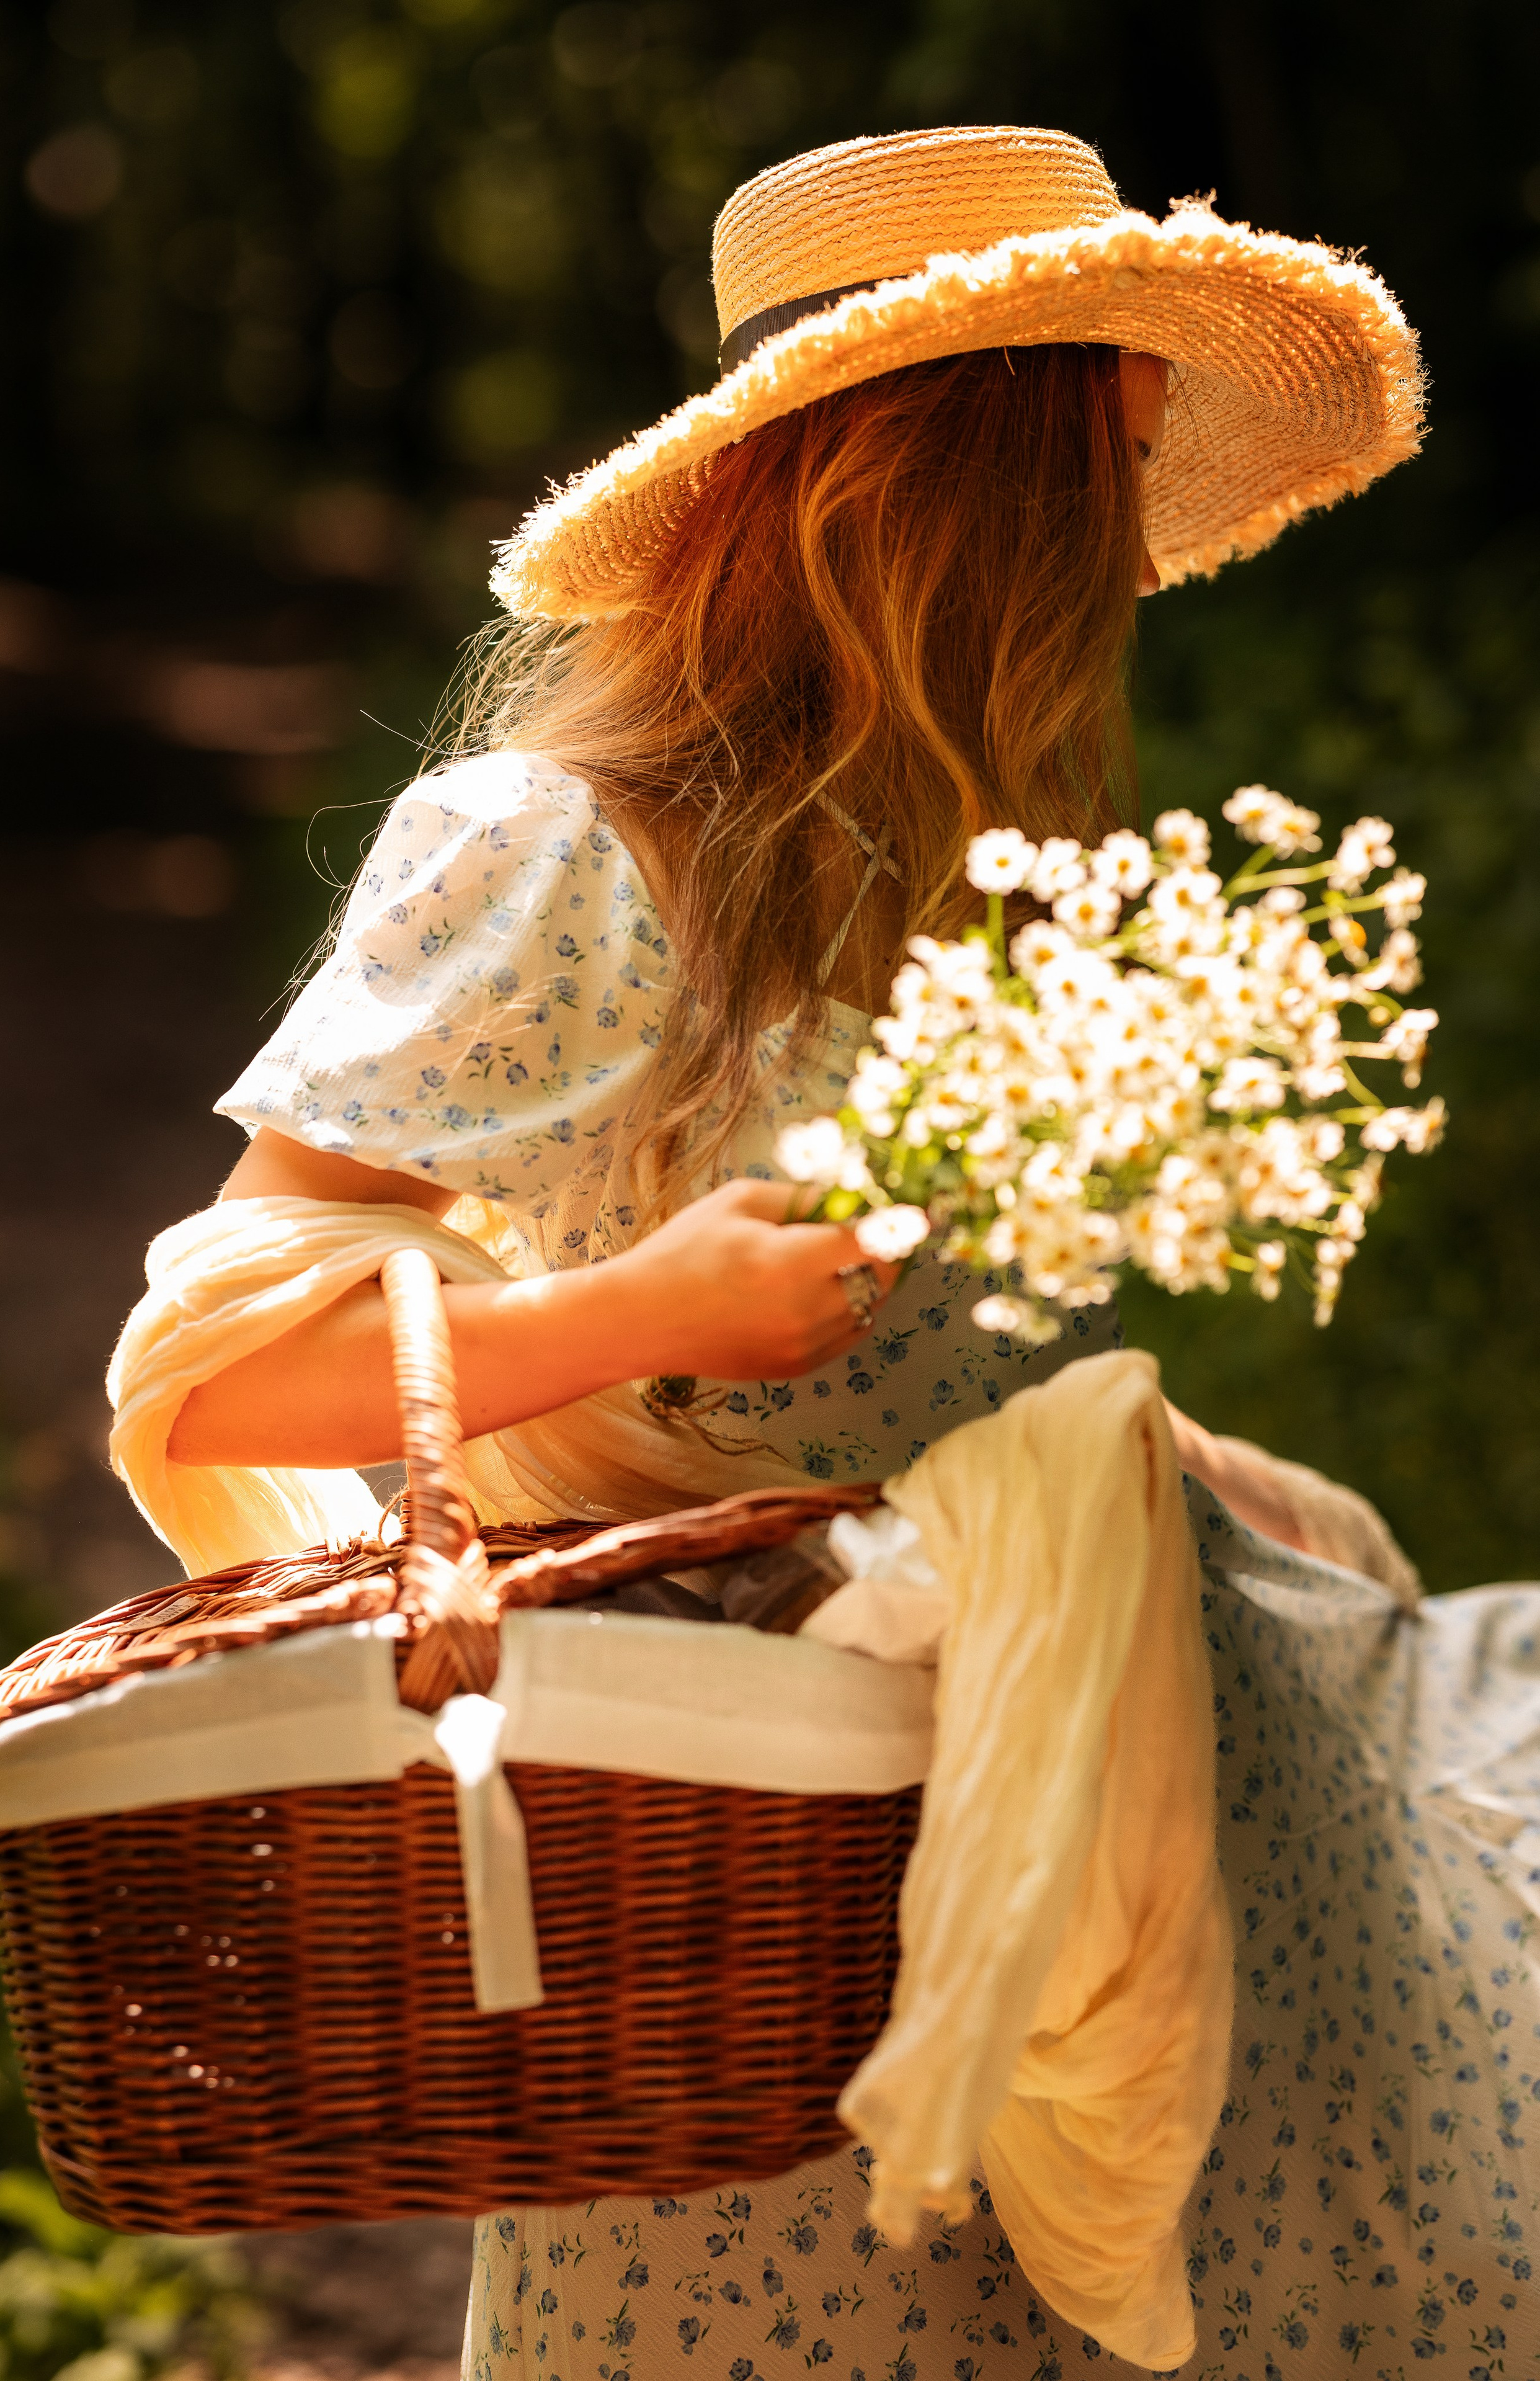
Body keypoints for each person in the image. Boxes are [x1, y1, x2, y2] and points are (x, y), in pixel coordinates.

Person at [145, 128, 1536, 2381]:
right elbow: (220, 1372)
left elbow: (920, 1378)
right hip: (766, 1874)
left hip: (1085, 1793)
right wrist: (644, 1316)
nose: (1122, 549)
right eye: (1117, 464)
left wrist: (1144, 1450)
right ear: (971, 483)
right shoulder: (558, 857)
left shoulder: (944, 888)